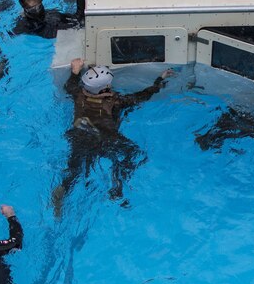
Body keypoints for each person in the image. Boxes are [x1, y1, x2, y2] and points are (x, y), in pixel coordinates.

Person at [55, 58, 174, 213]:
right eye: (108, 84)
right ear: (103, 89)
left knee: (75, 170)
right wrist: (160, 79)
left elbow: (69, 86)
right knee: (134, 153)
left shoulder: (78, 94)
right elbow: (142, 96)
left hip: (79, 136)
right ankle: (117, 188)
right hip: (105, 139)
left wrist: (75, 71)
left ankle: (62, 190)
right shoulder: (115, 101)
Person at [10, 0, 85, 39]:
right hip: (57, 28)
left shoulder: (23, 25)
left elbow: (11, 34)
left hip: (50, 32)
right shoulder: (54, 16)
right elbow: (78, 20)